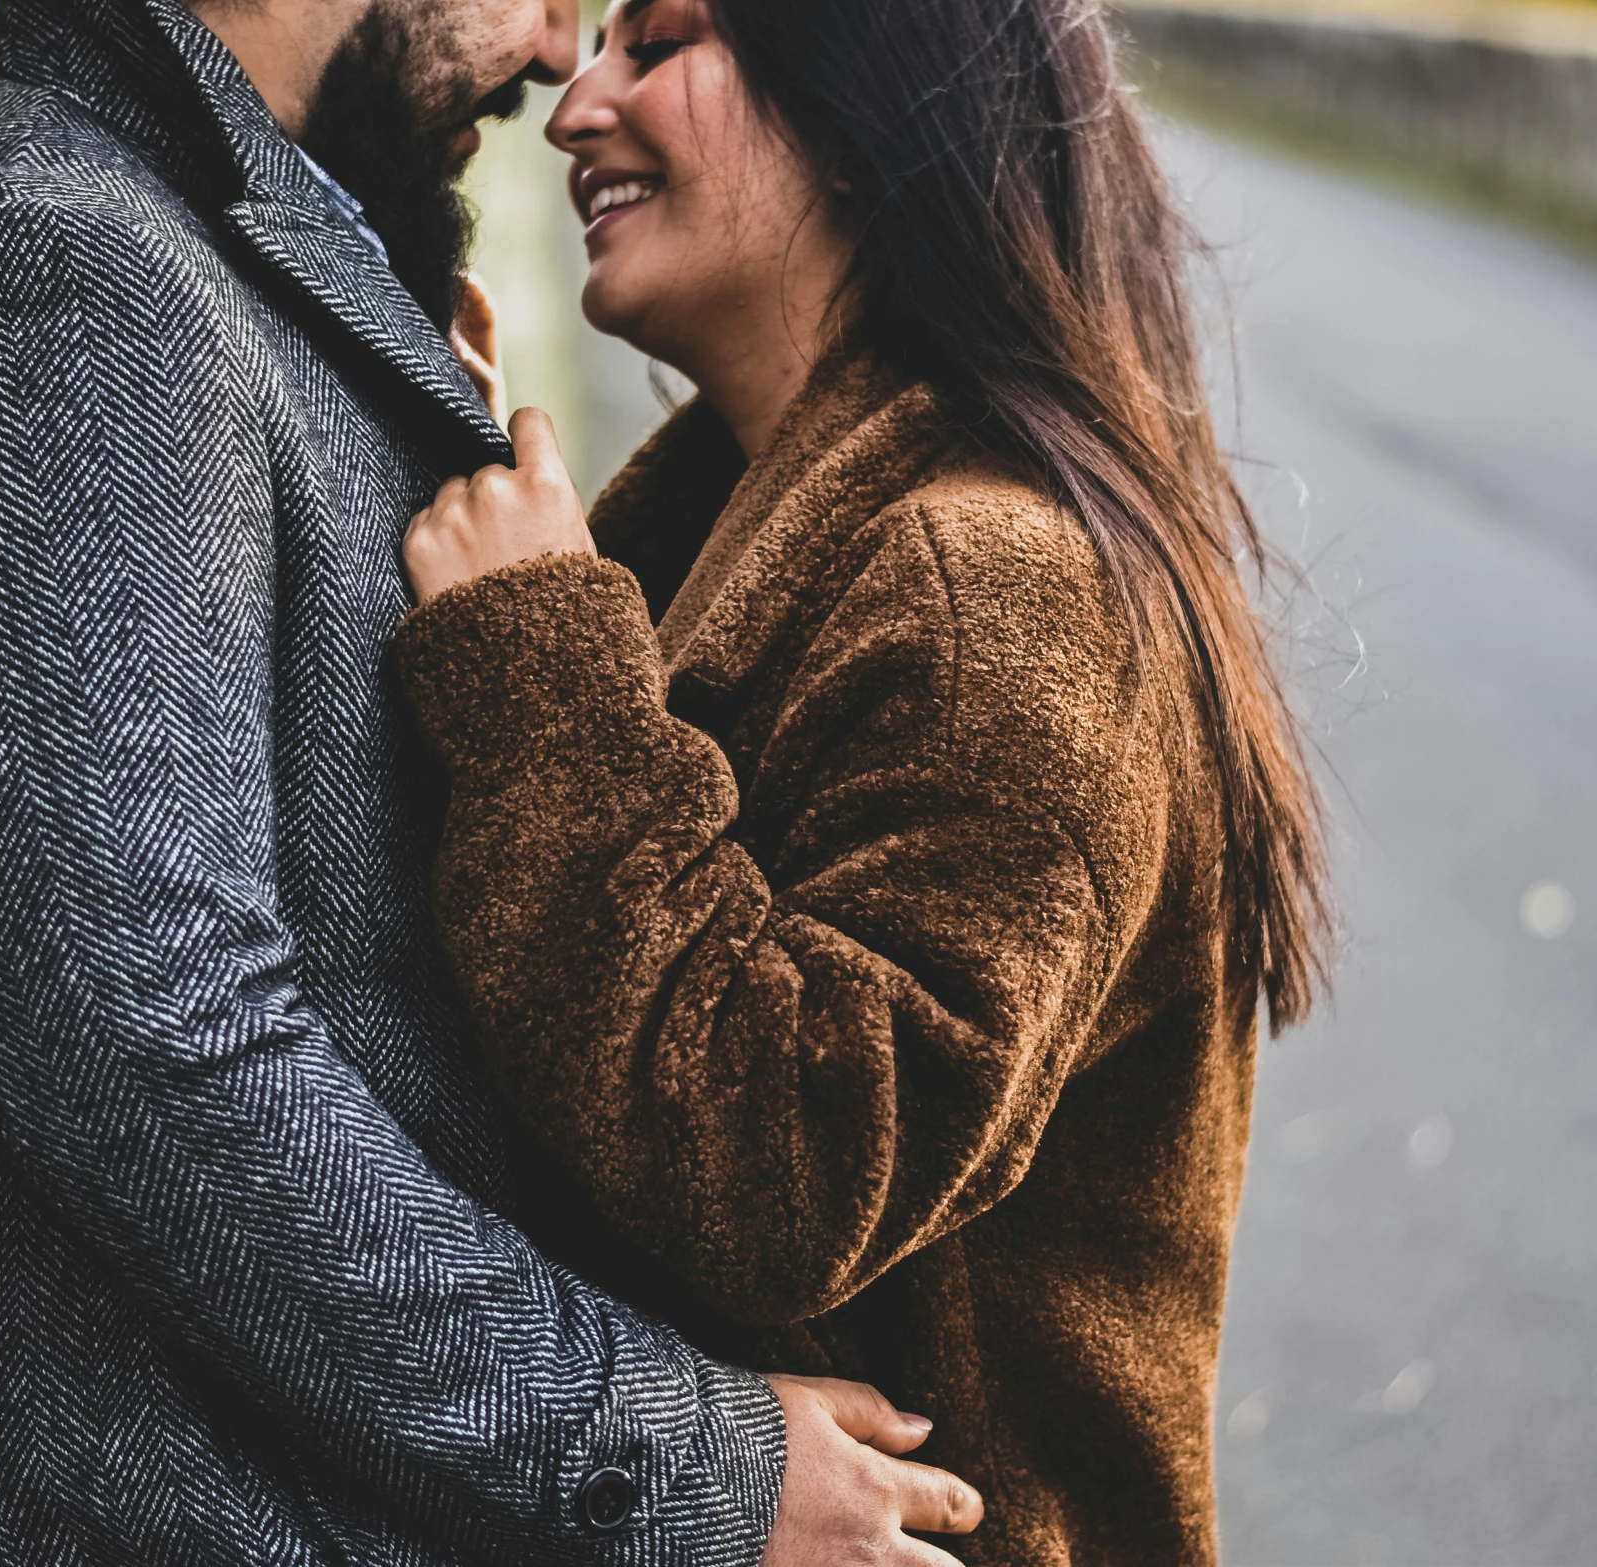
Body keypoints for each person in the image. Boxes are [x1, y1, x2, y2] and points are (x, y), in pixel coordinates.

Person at [0, 0, 983, 1559]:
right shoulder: (49, 270)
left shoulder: (195, 239)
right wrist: (690, 1464)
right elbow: (162, 1060)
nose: (556, 57)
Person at [395, 0, 1334, 1560]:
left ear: (864, 109)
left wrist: (541, 672)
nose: (575, 102)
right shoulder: (764, 526)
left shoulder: (996, 590)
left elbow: (792, 1164)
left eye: (662, 42)